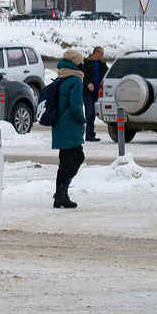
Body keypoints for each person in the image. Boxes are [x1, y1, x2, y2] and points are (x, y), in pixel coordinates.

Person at [52, 48, 87, 208]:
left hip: (60, 125)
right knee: (73, 159)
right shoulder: (75, 80)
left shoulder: (61, 77)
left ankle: (61, 192)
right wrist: (83, 120)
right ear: (76, 64)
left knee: (68, 159)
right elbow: (75, 107)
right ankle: (61, 194)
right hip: (71, 126)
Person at [81, 46, 108, 142]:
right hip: (87, 92)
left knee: (94, 113)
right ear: (95, 53)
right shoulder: (86, 63)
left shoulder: (102, 65)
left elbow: (107, 74)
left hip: (97, 92)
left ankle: (91, 133)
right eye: (101, 54)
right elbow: (81, 76)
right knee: (89, 113)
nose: (102, 56)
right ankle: (89, 134)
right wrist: (88, 84)